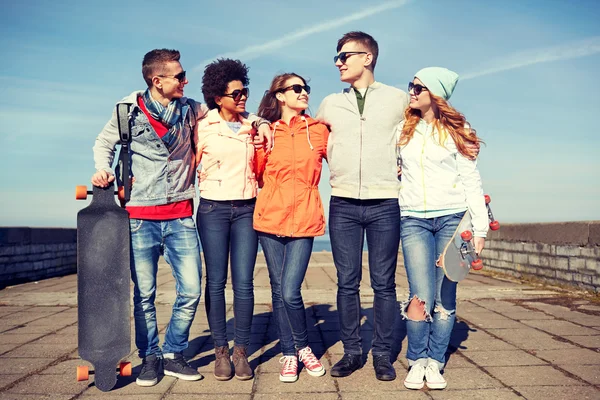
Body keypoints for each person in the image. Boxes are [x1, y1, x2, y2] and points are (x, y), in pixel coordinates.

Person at [92, 49, 205, 386]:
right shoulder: (127, 111)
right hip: (139, 216)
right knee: (144, 294)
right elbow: (104, 142)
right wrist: (101, 169)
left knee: (192, 289)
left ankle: (173, 352)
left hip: (181, 214)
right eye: (179, 76)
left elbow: (228, 116)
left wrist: (258, 123)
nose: (185, 81)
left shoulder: (191, 109)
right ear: (158, 81)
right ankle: (150, 356)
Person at [315, 31, 409, 381]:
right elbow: (301, 133)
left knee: (384, 283)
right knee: (346, 281)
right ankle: (352, 352)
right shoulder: (329, 103)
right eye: (337, 57)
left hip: (385, 200)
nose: (338, 62)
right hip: (343, 203)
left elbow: (427, 127)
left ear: (367, 58)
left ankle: (382, 355)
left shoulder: (398, 99)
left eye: (344, 56)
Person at [397, 67, 487, 390]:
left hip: (452, 219)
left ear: (435, 94)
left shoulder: (458, 130)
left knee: (445, 294)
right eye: (411, 85)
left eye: (418, 87)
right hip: (414, 221)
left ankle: (435, 361)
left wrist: (480, 230)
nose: (411, 91)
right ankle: (416, 359)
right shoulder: (402, 131)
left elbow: (471, 181)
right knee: (419, 295)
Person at [254, 73, 329, 383]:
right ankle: (289, 353)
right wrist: (259, 133)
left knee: (289, 289)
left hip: (305, 220)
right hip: (270, 218)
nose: (304, 92)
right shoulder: (267, 132)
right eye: (297, 88)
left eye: (306, 88)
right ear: (280, 96)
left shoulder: (320, 130)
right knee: (277, 288)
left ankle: (303, 347)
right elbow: (256, 173)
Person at [195, 58, 266, 381]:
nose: (242, 98)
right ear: (217, 97)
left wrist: (261, 123)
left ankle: (241, 353)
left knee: (244, 282)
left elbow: (263, 123)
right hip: (212, 209)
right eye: (235, 93)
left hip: (247, 209)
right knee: (216, 282)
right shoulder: (201, 125)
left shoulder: (254, 123)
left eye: (244, 91)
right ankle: (220, 351)